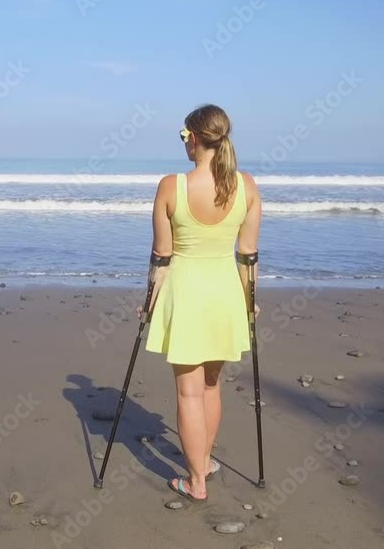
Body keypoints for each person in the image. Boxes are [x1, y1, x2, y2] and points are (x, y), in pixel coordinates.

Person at [142, 104, 261, 501]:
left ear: (194, 138)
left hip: (187, 292)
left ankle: (196, 483)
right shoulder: (246, 186)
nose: (184, 143)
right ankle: (204, 461)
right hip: (226, 293)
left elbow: (161, 255)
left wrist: (149, 302)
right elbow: (248, 255)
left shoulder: (170, 186)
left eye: (183, 136)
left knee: (189, 392)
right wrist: (250, 303)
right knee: (211, 385)